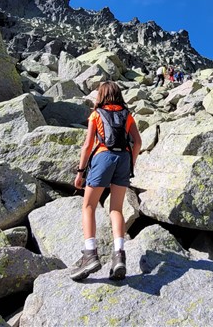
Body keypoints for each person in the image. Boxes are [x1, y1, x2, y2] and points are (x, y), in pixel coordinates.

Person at [71, 81, 142, 282]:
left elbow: (87, 146)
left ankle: (90, 254)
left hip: (103, 157)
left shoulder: (96, 114)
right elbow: (138, 142)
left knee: (89, 206)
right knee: (116, 209)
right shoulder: (127, 115)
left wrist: (80, 172)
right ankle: (119, 255)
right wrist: (131, 163)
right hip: (124, 159)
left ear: (101, 95)